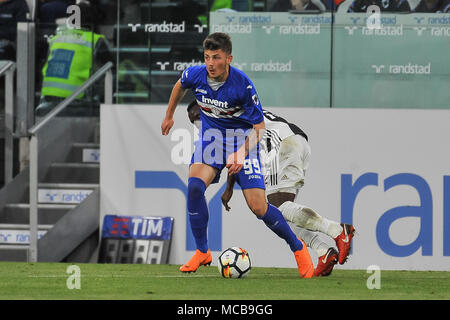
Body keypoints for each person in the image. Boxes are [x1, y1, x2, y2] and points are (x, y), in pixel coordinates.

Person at [161, 32, 314, 278]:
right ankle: (202, 251)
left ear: (229, 58)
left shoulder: (243, 85)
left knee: (259, 208)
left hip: (241, 140)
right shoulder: (196, 74)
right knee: (194, 187)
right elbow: (180, 85)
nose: (211, 63)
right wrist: (169, 114)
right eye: (207, 57)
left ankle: (298, 248)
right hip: (212, 139)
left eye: (217, 58)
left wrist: (241, 154)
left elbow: (259, 128)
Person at [188, 101, 355, 277]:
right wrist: (229, 187)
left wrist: (229, 188)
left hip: (280, 144)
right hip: (294, 141)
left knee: (279, 206)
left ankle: (336, 230)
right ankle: (323, 251)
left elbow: (235, 149)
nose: (197, 123)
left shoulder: (225, 115)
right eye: (193, 121)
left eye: (198, 117)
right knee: (280, 213)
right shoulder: (231, 110)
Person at [36, 0, 113, 116]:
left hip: (46, 100)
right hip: (76, 101)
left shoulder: (56, 39)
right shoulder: (95, 40)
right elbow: (111, 71)